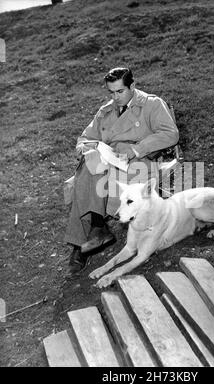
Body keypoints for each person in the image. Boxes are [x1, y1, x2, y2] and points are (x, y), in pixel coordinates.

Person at [64, 67, 179, 276]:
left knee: (88, 175)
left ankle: (89, 237)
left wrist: (137, 149)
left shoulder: (151, 104)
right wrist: (84, 148)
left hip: (140, 162)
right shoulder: (106, 111)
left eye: (120, 91)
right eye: (111, 92)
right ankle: (93, 233)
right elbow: (84, 138)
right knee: (91, 163)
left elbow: (171, 134)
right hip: (110, 161)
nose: (116, 97)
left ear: (132, 86)